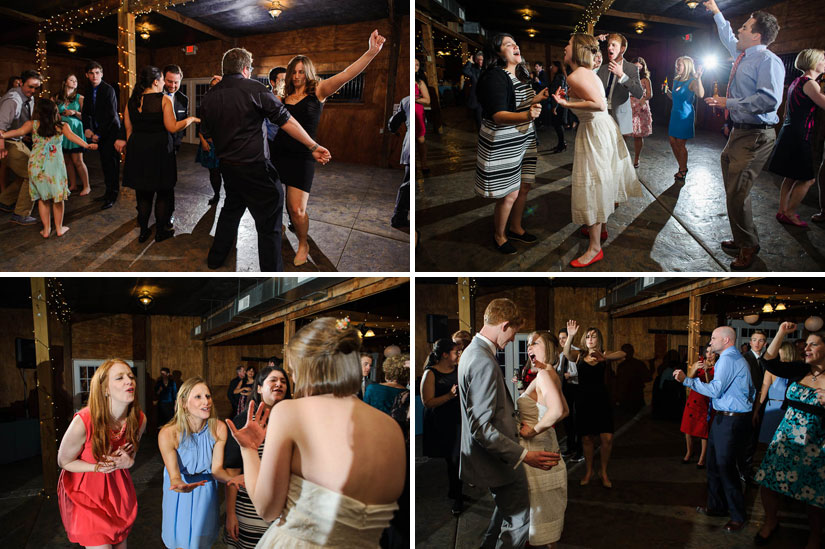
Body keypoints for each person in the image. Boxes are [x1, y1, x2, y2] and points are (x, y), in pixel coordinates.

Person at [226, 317, 405, 547]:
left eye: (293, 371)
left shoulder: (290, 412)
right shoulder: (390, 427)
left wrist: (249, 450)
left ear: (307, 367)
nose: (295, 379)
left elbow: (266, 509)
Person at [200, 47, 330, 272]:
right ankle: (272, 274)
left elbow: (208, 134)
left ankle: (215, 259)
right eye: (249, 67)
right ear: (245, 69)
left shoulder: (210, 95)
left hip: (228, 168)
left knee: (230, 211)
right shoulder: (255, 89)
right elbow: (286, 120)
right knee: (269, 225)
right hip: (256, 169)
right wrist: (313, 145)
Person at [271, 30, 386, 267]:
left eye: (302, 71)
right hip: (278, 153)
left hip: (303, 156)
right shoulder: (282, 98)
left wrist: (371, 52)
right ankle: (279, 227)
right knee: (273, 199)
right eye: (294, 71)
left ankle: (303, 242)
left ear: (309, 72)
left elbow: (346, 74)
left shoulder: (319, 91)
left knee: (297, 210)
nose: (297, 76)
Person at [459, 298, 560, 548]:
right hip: (502, 459)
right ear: (504, 325)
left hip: (493, 457)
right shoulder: (482, 359)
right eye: (514, 332)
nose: (514, 339)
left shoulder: (472, 352)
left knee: (503, 514)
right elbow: (481, 427)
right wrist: (524, 455)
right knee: (518, 523)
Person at [702, 0, 785, 270]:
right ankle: (742, 237)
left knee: (737, 192)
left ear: (757, 35)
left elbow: (769, 101)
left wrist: (729, 103)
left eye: (745, 26)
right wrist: (716, 11)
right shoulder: (744, 54)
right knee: (735, 190)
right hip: (739, 133)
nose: (739, 29)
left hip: (756, 136)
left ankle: (748, 245)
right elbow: (727, 34)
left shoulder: (767, 61)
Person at [551, 33, 641, 268]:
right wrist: (570, 96)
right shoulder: (585, 73)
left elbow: (599, 104)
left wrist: (566, 103)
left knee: (593, 186)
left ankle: (594, 249)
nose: (564, 47)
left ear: (577, 49)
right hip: (599, 129)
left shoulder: (575, 75)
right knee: (598, 182)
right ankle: (598, 232)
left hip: (594, 132)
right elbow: (594, 98)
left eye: (568, 44)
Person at [673, 325, 755, 533]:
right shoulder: (734, 358)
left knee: (726, 468)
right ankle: (717, 506)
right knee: (712, 464)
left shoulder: (728, 359)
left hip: (730, 420)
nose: (710, 342)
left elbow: (716, 391)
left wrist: (687, 381)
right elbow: (750, 390)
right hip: (725, 418)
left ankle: (738, 516)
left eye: (714, 338)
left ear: (726, 340)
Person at [57, 359, 146, 548]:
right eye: (120, 378)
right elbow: (64, 461)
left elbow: (131, 457)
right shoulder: (84, 420)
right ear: (105, 389)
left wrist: (129, 462)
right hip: (87, 494)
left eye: (131, 376)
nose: (129, 381)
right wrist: (96, 467)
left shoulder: (139, 419)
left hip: (117, 492)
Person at [753, 321, 825, 548]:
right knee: (769, 484)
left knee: (814, 496)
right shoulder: (800, 369)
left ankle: (816, 535)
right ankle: (771, 521)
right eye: (807, 344)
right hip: (785, 439)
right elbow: (769, 362)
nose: (807, 348)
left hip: (817, 445)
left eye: (814, 344)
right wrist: (782, 332)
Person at [475, 33, 548, 255]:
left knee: (524, 186)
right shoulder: (495, 77)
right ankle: (500, 235)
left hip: (524, 141)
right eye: (508, 44)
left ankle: (515, 227)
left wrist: (538, 97)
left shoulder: (520, 75)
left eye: (515, 43)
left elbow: (519, 102)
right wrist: (528, 115)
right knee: (509, 193)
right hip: (503, 144)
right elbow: (498, 115)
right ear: (498, 52)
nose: (515, 46)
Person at [0, 98, 96, 238]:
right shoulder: (62, 126)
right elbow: (73, 137)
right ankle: (58, 228)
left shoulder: (32, 125)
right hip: (54, 167)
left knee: (42, 199)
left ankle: (46, 230)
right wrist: (86, 145)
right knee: (58, 199)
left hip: (36, 166)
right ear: (55, 111)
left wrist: (2, 134)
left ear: (38, 112)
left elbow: (17, 132)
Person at [123, 66, 199, 243]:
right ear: (156, 81)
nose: (166, 83)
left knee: (143, 194)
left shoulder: (131, 101)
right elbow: (172, 127)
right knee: (163, 191)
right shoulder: (163, 99)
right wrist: (191, 120)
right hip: (159, 151)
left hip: (138, 151)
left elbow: (129, 131)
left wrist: (135, 149)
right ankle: (160, 231)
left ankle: (143, 231)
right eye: (163, 80)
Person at [159, 377, 235, 549]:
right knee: (180, 543)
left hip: (205, 489)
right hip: (180, 491)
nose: (206, 401)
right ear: (184, 403)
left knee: (201, 543)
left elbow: (217, 470)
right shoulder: (168, 433)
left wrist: (234, 479)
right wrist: (179, 485)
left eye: (208, 396)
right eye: (198, 397)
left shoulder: (219, 428)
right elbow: (174, 477)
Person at [223, 366, 291, 549]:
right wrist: (230, 514)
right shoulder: (244, 422)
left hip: (284, 508)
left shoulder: (291, 422)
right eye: (273, 380)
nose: (279, 384)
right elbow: (232, 473)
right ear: (259, 388)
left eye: (283, 381)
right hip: (249, 509)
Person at [562, 319, 626, 488]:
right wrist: (570, 337)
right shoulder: (580, 355)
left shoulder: (605, 353)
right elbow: (567, 353)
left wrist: (604, 357)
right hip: (584, 400)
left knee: (607, 439)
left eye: (594, 336)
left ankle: (603, 471)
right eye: (588, 336)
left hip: (602, 400)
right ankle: (589, 471)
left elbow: (622, 354)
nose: (590, 339)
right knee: (587, 439)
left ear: (599, 340)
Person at [519, 331, 568, 548]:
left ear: (548, 347)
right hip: (548, 446)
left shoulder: (544, 376)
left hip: (537, 451)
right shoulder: (550, 373)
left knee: (539, 516)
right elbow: (565, 410)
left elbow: (558, 411)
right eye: (528, 344)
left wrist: (532, 431)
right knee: (545, 514)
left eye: (534, 343)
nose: (529, 348)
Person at [768, 49, 825, 227]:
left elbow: (786, 112)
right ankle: (791, 213)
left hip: (790, 132)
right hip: (800, 135)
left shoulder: (796, 82)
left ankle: (782, 210)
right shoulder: (810, 84)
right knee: (808, 179)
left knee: (790, 176)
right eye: (823, 59)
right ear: (814, 62)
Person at [420, 338, 462, 515]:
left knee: (458, 459)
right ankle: (457, 497)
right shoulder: (430, 373)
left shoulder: (459, 369)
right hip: (441, 422)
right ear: (445, 354)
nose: (458, 355)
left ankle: (456, 493)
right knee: (452, 460)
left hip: (459, 419)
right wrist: (449, 396)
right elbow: (427, 402)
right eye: (455, 352)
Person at [0, 69, 41, 225]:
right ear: (21, 83)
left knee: (28, 170)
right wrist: (2, 148)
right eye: (30, 87)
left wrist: (24, 135)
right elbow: (1, 126)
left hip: (17, 140)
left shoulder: (29, 98)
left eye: (36, 88)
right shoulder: (12, 100)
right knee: (33, 174)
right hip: (5, 141)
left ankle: (4, 201)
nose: (33, 91)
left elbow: (18, 121)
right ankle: (21, 214)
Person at [81, 61, 122, 210]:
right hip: (99, 132)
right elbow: (86, 112)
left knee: (112, 165)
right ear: (87, 75)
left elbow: (111, 116)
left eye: (97, 73)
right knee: (104, 164)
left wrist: (98, 134)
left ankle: (113, 196)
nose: (94, 76)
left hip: (111, 132)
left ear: (102, 74)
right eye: (91, 73)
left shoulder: (108, 90)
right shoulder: (88, 89)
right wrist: (87, 128)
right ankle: (107, 193)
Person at [663, 56, 705, 180]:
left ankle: (683, 169)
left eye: (679, 65)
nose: (677, 67)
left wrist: (698, 79)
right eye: (676, 65)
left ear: (686, 66)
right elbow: (674, 97)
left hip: (685, 116)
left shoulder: (692, 81)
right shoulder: (676, 80)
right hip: (675, 115)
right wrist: (667, 91)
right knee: (672, 141)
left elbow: (701, 95)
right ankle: (682, 166)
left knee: (680, 143)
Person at [596, 33, 644, 137]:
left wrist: (621, 75)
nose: (609, 48)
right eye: (608, 45)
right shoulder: (603, 68)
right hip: (602, 114)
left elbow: (639, 93)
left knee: (618, 150)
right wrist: (595, 40)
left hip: (619, 116)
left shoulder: (631, 68)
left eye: (613, 45)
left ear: (622, 49)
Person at [161, 64, 189, 231]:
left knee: (169, 184)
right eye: (169, 81)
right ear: (163, 79)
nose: (172, 86)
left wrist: (177, 144)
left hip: (172, 148)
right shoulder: (155, 97)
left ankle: (168, 215)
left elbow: (181, 124)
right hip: (155, 146)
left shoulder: (183, 99)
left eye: (176, 82)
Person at [680, 345, 718, 468]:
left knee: (703, 431)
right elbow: (688, 380)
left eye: (712, 352)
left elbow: (710, 385)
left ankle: (702, 457)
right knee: (688, 428)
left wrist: (707, 371)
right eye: (707, 352)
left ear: (716, 354)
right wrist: (694, 368)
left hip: (706, 401)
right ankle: (689, 452)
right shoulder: (699, 362)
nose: (709, 354)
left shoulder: (718, 366)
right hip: (694, 398)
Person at [54, 74, 91, 196]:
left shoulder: (80, 98)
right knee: (66, 160)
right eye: (71, 80)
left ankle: (87, 186)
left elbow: (87, 116)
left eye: (76, 81)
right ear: (65, 82)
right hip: (61, 130)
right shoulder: (56, 98)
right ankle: (73, 184)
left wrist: (74, 112)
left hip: (75, 131)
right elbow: (50, 114)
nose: (75, 82)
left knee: (78, 160)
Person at [754, 341, 792, 446]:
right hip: (779, 408)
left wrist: (756, 411)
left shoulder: (794, 370)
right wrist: (756, 411)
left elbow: (763, 393)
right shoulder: (772, 370)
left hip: (782, 408)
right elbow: (762, 392)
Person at [195, 76, 223, 205]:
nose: (214, 88)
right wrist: (203, 140)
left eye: (217, 85)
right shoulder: (206, 103)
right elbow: (201, 124)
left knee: (228, 174)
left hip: (225, 144)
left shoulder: (229, 102)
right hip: (210, 143)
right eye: (212, 86)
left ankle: (230, 199)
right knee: (214, 173)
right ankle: (216, 195)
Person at [557, 327, 582, 462]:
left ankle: (580, 451)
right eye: (560, 338)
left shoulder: (576, 351)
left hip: (576, 388)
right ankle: (570, 447)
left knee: (577, 420)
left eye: (564, 338)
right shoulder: (561, 355)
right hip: (565, 389)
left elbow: (582, 370)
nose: (562, 341)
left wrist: (570, 374)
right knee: (567, 420)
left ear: (570, 338)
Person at [388, 95, 410, 228]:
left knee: (408, 182)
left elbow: (392, 124)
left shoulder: (406, 100)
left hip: (410, 144)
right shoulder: (409, 100)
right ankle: (398, 218)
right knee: (408, 183)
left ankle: (399, 217)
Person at [629, 57, 653, 168]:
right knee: (623, 133)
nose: (637, 68)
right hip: (629, 106)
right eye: (635, 66)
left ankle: (636, 158)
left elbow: (650, 94)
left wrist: (643, 100)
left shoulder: (645, 79)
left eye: (639, 67)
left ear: (643, 67)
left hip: (640, 107)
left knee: (638, 135)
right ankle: (621, 158)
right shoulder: (628, 77)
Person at [414, 58, 430, 175]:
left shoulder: (419, 82)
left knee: (420, 140)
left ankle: (424, 164)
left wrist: (415, 98)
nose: (415, 66)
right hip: (407, 112)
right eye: (413, 64)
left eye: (417, 65)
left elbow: (427, 100)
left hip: (417, 112)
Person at [548, 61, 568, 154]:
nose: (552, 68)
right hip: (558, 104)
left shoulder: (560, 77)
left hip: (559, 104)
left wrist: (555, 106)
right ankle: (561, 143)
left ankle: (562, 144)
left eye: (553, 66)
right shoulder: (559, 76)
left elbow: (559, 92)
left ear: (557, 67)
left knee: (558, 125)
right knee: (557, 125)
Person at [463, 51, 484, 131]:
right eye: (478, 60)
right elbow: (465, 71)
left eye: (482, 60)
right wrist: (469, 62)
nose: (480, 62)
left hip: (488, 100)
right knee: (479, 123)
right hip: (478, 101)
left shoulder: (488, 69)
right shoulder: (473, 70)